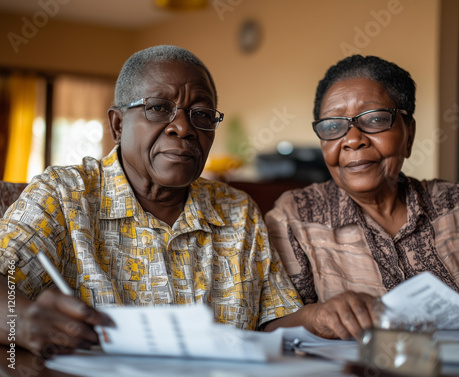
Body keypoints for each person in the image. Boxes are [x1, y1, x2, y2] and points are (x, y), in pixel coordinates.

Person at [0, 45, 303, 358]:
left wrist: (321, 318)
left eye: (201, 114)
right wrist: (19, 321)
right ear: (118, 125)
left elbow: (275, 321)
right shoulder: (64, 194)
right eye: (158, 108)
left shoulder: (239, 211)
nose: (183, 128)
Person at [264, 55, 459, 339]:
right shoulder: (295, 217)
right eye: (332, 126)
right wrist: (314, 317)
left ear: (409, 135)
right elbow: (267, 328)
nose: (352, 139)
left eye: (375, 119)